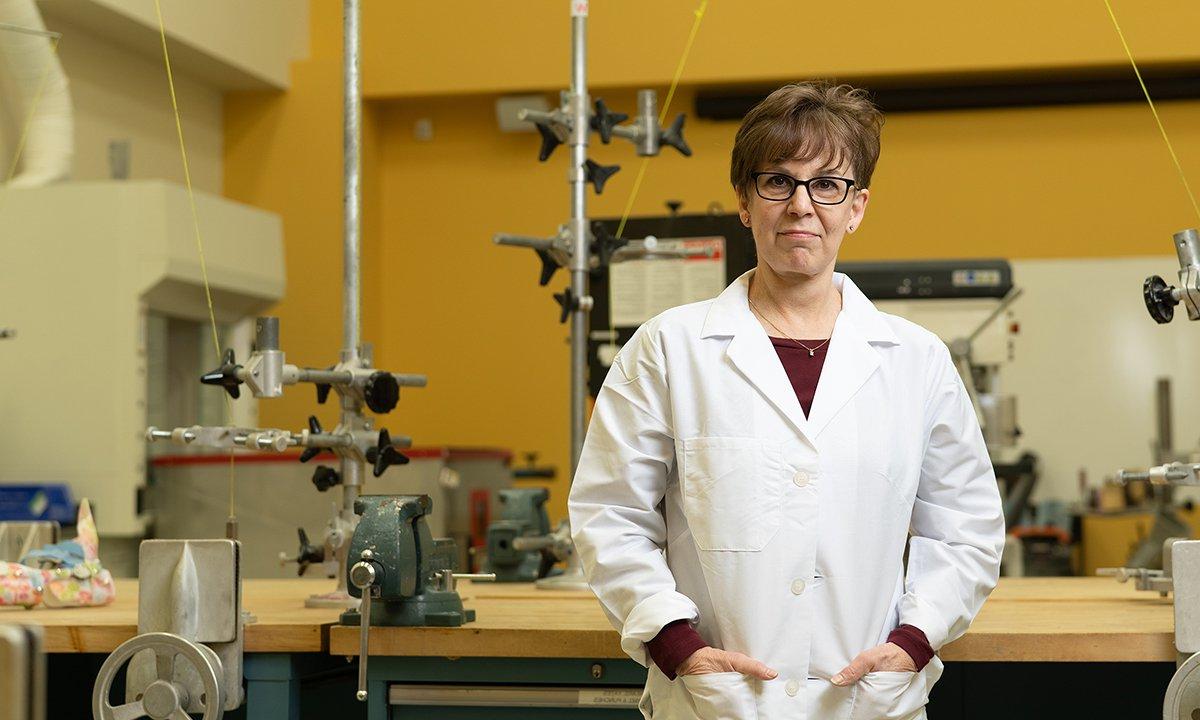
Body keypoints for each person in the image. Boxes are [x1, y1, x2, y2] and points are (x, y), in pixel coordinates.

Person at [568, 82, 1005, 720]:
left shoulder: (917, 361)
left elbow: (965, 531)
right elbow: (610, 516)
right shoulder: (668, 349)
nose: (802, 205)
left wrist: (914, 641)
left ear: (857, 207)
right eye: (778, 180)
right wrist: (678, 645)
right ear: (745, 202)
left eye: (827, 184)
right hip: (716, 701)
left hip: (864, 699)